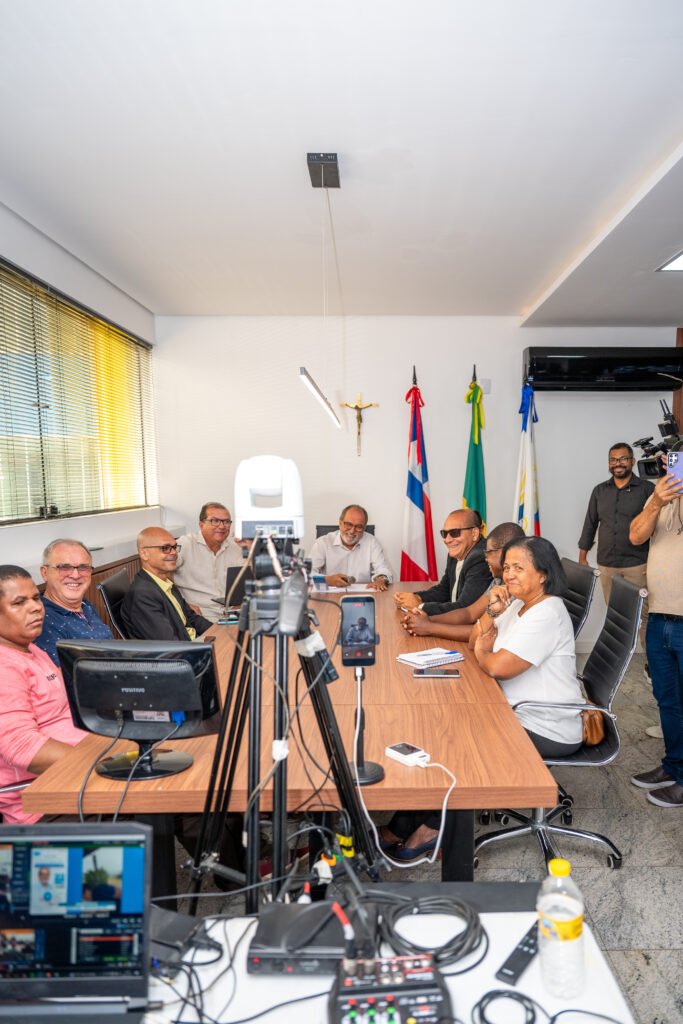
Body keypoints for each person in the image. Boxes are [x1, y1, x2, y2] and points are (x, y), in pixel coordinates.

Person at [381, 537, 583, 858]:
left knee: (459, 745)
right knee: (444, 729)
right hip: (510, 709)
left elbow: (498, 667)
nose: (509, 575)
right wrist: (491, 612)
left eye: (519, 568)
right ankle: (403, 825)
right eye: (507, 567)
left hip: (546, 724)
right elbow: (476, 635)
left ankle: (434, 829)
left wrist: (484, 651)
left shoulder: (548, 612)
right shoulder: (517, 602)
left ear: (543, 574)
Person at [0, 565, 87, 824]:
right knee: (156, 805)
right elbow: (22, 747)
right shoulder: (4, 666)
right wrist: (98, 762)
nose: (36, 608)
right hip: (43, 801)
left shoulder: (29, 649)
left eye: (36, 598)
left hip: (72, 779)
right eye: (19, 603)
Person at [578, 442, 654, 723]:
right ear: (609, 463)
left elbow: (656, 525)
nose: (618, 463)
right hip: (607, 564)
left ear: (632, 461)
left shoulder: (647, 489)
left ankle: (650, 664)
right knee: (617, 617)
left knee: (644, 617)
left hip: (638, 564)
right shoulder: (600, 491)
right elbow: (590, 523)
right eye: (613, 459)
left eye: (623, 459)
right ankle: (619, 664)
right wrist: (583, 557)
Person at [629, 467, 683, 808]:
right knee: (668, 700)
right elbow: (636, 536)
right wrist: (656, 502)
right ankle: (674, 766)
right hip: (660, 615)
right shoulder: (660, 496)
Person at [400, 522, 525, 642]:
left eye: (488, 552)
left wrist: (429, 627)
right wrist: (427, 619)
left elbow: (489, 633)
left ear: (504, 553)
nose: (485, 558)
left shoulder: (521, 586)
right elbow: (469, 613)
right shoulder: (498, 580)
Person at [121, 528, 213, 641]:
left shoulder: (164, 582)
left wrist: (217, 631)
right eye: (165, 548)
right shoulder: (142, 595)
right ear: (144, 554)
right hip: (185, 649)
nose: (174, 552)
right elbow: (169, 643)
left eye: (174, 547)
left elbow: (190, 617)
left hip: (194, 642)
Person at [394, 509, 490, 616]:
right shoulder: (456, 553)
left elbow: (465, 609)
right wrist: (416, 597)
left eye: (455, 533)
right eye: (444, 533)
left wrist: (420, 606)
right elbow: (444, 590)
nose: (447, 540)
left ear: (474, 534)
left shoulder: (480, 558)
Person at [34, 539, 113, 665]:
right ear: (45, 573)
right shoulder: (42, 622)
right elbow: (64, 676)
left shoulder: (85, 605)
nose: (75, 575)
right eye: (64, 567)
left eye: (83, 567)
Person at [174, 502, 247, 622]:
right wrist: (182, 605)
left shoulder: (236, 547)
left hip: (233, 613)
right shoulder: (185, 544)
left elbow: (251, 578)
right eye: (215, 521)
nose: (222, 526)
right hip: (200, 615)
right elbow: (162, 574)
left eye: (226, 522)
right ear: (201, 524)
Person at [309, 505, 392, 590]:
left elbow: (383, 569)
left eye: (359, 527)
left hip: (363, 594)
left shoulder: (372, 542)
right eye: (348, 524)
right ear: (340, 523)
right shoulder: (323, 542)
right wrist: (329, 580)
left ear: (364, 528)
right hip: (330, 594)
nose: (352, 531)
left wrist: (381, 579)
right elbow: (307, 574)